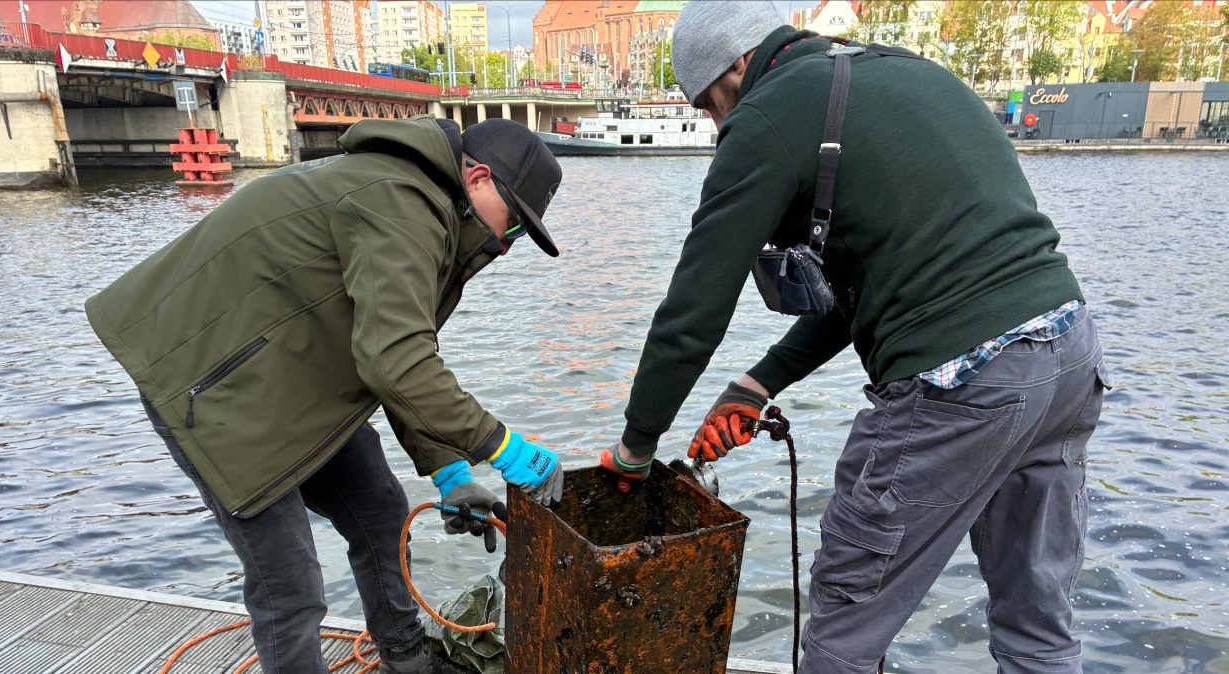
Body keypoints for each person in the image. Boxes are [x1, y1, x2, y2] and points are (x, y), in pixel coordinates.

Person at [599, 3, 1110, 673]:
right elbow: (877, 289)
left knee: (845, 627)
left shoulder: (767, 116)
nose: (716, 123)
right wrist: (755, 386)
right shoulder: (903, 70)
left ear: (737, 66)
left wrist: (637, 446)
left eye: (709, 104)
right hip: (1068, 356)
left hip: (962, 379)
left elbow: (692, 310)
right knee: (1037, 624)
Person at [86, 117, 566, 674]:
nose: (507, 246)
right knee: (290, 586)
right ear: (478, 178)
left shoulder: (427, 207)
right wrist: (505, 448)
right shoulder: (403, 204)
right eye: (513, 226)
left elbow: (395, 360)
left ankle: (406, 659)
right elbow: (398, 362)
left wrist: (449, 471)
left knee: (381, 511)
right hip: (210, 388)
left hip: (287, 382)